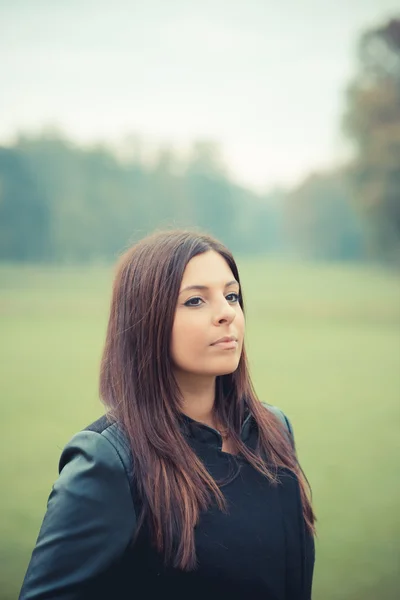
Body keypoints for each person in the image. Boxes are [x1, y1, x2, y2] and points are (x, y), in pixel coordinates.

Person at [19, 229, 316, 600]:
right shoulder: (111, 462)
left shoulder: (272, 429)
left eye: (231, 295)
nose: (226, 313)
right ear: (147, 320)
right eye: (195, 301)